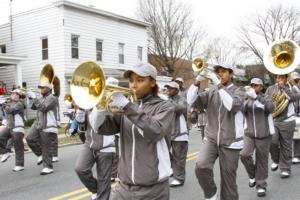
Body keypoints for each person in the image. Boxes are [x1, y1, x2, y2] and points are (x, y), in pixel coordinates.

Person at [92, 63, 175, 200]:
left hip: (154, 188)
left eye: (140, 80)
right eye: (131, 81)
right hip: (124, 186)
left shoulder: (165, 106)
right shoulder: (128, 108)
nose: (133, 85)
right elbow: (101, 128)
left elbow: (154, 131)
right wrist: (100, 106)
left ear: (153, 82)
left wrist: (126, 105)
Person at [187, 64, 244, 200]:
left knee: (228, 183)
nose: (220, 74)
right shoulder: (211, 92)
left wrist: (218, 84)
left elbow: (231, 105)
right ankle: (211, 194)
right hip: (211, 138)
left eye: (224, 71)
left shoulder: (239, 91)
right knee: (201, 166)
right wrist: (198, 80)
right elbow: (190, 100)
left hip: (230, 141)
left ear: (231, 74)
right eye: (218, 72)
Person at [240, 78, 275, 197]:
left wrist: (256, 98)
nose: (253, 87)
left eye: (256, 85)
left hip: (264, 134)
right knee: (244, 155)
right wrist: (245, 100)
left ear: (261, 87)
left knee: (262, 160)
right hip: (249, 133)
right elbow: (241, 112)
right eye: (252, 85)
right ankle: (252, 175)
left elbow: (270, 108)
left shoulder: (266, 97)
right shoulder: (247, 98)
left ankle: (261, 186)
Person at [74, 107, 116, 200]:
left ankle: (102, 193)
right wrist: (81, 110)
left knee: (103, 181)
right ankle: (96, 189)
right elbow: (81, 124)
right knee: (80, 169)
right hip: (89, 143)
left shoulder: (108, 105)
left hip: (106, 145)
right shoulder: (89, 105)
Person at [266, 74, 300, 178]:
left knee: (286, 145)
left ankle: (285, 169)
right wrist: (271, 100)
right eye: (278, 77)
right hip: (275, 120)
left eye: (281, 78)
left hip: (288, 121)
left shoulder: (291, 88)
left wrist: (284, 88)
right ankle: (276, 160)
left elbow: (294, 98)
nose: (279, 80)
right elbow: (265, 101)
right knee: (272, 142)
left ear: (286, 79)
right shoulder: (271, 88)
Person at [26, 82, 59, 175]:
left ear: (49, 89)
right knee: (29, 138)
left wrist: (35, 98)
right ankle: (40, 154)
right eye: (40, 88)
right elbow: (33, 107)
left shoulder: (53, 98)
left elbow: (44, 108)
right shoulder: (41, 98)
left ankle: (48, 167)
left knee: (46, 146)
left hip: (48, 125)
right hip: (39, 123)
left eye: (43, 88)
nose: (41, 89)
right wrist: (30, 98)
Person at [164, 81, 188, 187]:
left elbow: (180, 109)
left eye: (171, 88)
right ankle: (174, 170)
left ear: (177, 90)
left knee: (179, 157)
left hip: (180, 134)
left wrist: (167, 101)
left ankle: (179, 178)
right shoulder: (168, 100)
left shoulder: (181, 99)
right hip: (169, 133)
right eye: (167, 88)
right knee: (164, 153)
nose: (168, 90)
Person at [0, 89, 26, 171]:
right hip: (9, 127)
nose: (12, 95)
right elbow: (6, 113)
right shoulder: (10, 103)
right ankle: (5, 152)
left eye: (14, 94)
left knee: (18, 147)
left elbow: (11, 110)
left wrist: (4, 104)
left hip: (18, 128)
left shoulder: (20, 104)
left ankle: (20, 165)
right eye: (12, 94)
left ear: (18, 95)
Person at [289, 72, 300, 164]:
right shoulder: (290, 88)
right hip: (296, 114)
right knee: (297, 136)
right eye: (294, 80)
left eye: (297, 79)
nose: (296, 81)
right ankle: (296, 155)